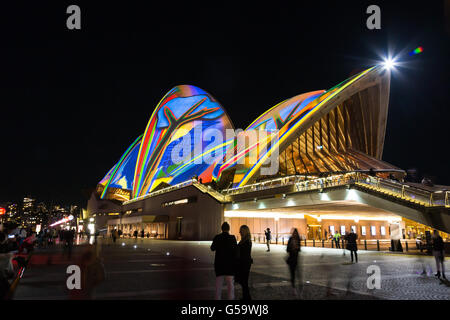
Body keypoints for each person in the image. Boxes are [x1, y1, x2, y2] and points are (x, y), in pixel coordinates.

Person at [210, 222, 237, 300]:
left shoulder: (217, 237)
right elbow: (235, 250)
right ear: (229, 229)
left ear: (221, 229)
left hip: (219, 264)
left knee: (218, 285)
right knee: (230, 285)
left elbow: (212, 248)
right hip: (230, 265)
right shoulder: (232, 238)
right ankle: (231, 298)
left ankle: (217, 298)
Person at [235, 225, 253, 300]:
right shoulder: (244, 240)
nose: (239, 232)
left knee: (244, 281)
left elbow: (244, 254)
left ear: (245, 231)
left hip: (244, 264)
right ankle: (246, 297)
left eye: (241, 230)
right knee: (243, 281)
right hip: (244, 263)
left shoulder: (247, 241)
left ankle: (247, 297)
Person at [286, 228, 301, 296]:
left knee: (298, 274)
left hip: (296, 259)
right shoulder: (290, 239)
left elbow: (299, 249)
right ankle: (293, 288)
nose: (295, 234)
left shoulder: (298, 239)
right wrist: (292, 248)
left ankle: (299, 288)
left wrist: (297, 248)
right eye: (294, 233)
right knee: (293, 274)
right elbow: (287, 249)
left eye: (296, 233)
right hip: (291, 259)